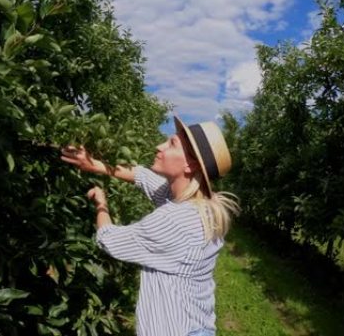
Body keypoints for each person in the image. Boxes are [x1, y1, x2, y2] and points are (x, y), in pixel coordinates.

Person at [60, 116, 239, 336]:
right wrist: (94, 165)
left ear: (190, 165)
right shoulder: (199, 206)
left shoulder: (174, 220)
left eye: (171, 143)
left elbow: (108, 239)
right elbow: (141, 175)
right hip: (197, 326)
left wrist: (101, 204)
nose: (159, 146)